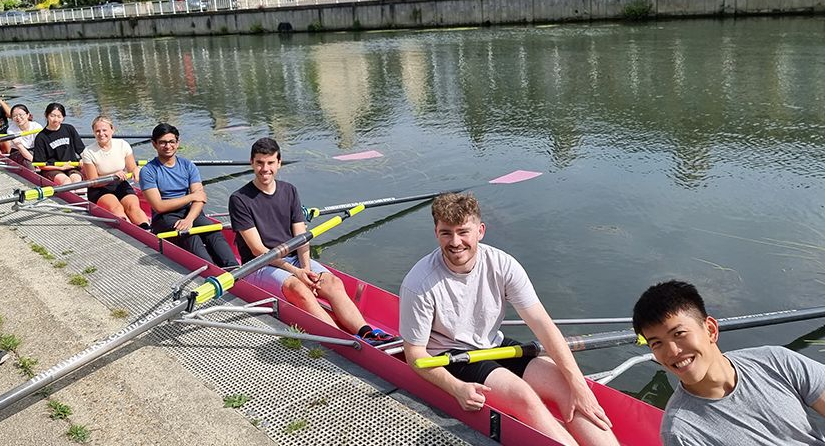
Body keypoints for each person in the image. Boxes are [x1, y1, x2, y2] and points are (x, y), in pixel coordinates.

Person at [399, 192, 616, 446]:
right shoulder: (419, 283)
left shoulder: (503, 265)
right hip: (450, 354)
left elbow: (544, 326)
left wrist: (579, 386)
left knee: (565, 383)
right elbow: (414, 355)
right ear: (436, 232)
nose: (455, 242)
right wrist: (456, 388)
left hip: (491, 344)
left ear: (480, 231)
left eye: (463, 232)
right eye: (446, 233)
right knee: (522, 396)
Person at [228, 137, 397, 345]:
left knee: (333, 283)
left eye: (270, 162)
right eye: (260, 163)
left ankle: (366, 332)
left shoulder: (289, 190)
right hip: (258, 265)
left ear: (279, 163)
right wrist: (298, 274)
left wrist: (306, 269)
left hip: (293, 259)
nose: (265, 169)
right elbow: (257, 250)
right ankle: (342, 340)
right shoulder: (239, 199)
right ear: (252, 163)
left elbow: (301, 237)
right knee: (298, 289)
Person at [633, 280, 825, 445]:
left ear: (710, 330)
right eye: (657, 343)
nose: (672, 352)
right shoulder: (681, 432)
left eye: (679, 334)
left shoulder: (776, 360)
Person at [140, 123, 236, 267]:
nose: (168, 146)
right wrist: (191, 197)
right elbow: (159, 206)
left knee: (212, 230)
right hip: (165, 217)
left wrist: (189, 219)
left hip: (189, 212)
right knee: (189, 235)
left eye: (171, 142)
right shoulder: (148, 171)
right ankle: (212, 270)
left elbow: (201, 198)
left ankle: (233, 268)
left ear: (178, 143)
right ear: (154, 144)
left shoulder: (187, 165)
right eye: (163, 142)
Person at [82, 115, 150, 228]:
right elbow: (93, 181)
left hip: (120, 184)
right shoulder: (88, 152)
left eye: (104, 130)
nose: (101, 134)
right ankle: (131, 230)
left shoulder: (123, 145)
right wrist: (112, 176)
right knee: (117, 208)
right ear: (93, 132)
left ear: (112, 130)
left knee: (133, 207)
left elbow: (132, 168)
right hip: (99, 188)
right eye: (97, 131)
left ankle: (147, 230)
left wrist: (136, 170)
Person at [32, 102, 84, 185]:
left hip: (71, 165)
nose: (56, 120)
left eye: (59, 116)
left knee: (76, 180)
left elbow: (81, 150)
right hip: (52, 169)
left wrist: (83, 159)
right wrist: (62, 168)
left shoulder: (69, 129)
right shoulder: (41, 137)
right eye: (52, 116)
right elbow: (41, 165)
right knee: (66, 181)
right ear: (46, 115)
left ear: (63, 118)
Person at [4, 104, 43, 168]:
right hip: (18, 152)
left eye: (20, 115)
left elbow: (41, 146)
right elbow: (20, 148)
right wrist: (34, 162)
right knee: (30, 164)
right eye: (14, 116)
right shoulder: (11, 130)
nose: (18, 118)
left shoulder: (36, 126)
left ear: (28, 115)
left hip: (34, 150)